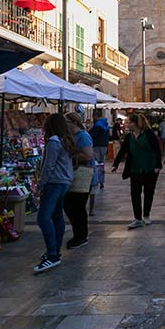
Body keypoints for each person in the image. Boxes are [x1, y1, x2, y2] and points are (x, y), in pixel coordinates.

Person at [33, 114, 75, 273]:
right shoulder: (65, 141)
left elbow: (48, 166)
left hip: (54, 183)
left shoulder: (53, 142)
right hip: (64, 182)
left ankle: (52, 254)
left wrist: (40, 185)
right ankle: (55, 251)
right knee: (56, 216)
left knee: (43, 218)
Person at [112, 114, 162, 229]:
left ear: (134, 123)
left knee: (149, 192)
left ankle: (146, 215)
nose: (125, 124)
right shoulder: (129, 136)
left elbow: (157, 149)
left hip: (150, 168)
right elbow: (123, 150)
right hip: (135, 168)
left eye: (128, 122)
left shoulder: (148, 134)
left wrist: (157, 165)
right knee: (135, 193)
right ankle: (137, 218)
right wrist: (115, 164)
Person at [64, 113, 94, 249]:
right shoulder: (71, 136)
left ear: (74, 123)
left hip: (83, 175)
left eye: (67, 122)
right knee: (71, 206)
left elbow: (88, 155)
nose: (65, 124)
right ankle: (79, 235)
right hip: (74, 174)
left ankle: (81, 236)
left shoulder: (83, 136)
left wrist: (70, 157)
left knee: (77, 206)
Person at [89, 111, 110, 196]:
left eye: (93, 117)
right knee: (102, 164)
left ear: (96, 116)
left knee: (96, 164)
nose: (92, 119)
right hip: (104, 146)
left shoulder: (97, 125)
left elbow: (91, 135)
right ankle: (102, 181)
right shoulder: (106, 125)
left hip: (97, 146)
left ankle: (96, 180)